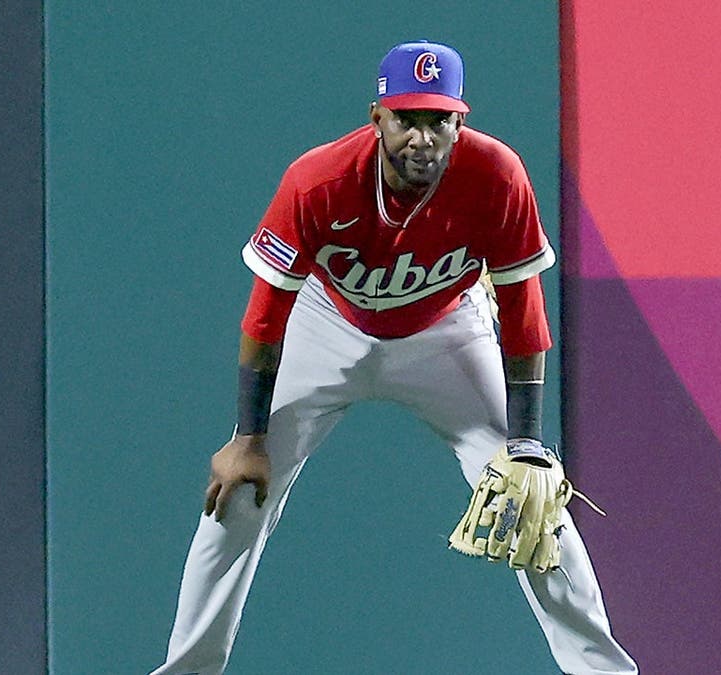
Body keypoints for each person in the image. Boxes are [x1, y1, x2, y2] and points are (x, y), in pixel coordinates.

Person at [151, 40, 637, 675]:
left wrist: (527, 441)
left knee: (534, 503)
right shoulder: (319, 180)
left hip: (448, 333)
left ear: (460, 122)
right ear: (377, 117)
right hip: (329, 327)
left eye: (440, 120)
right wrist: (249, 435)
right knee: (240, 493)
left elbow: (524, 310)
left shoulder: (496, 175)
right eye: (408, 118)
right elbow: (266, 311)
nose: (424, 137)